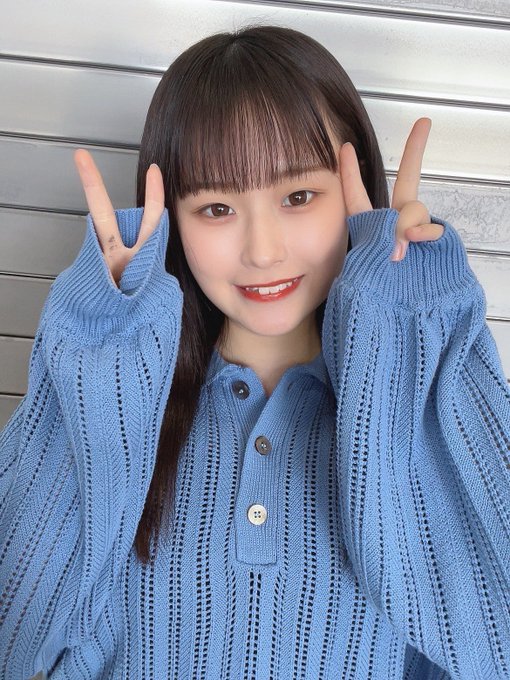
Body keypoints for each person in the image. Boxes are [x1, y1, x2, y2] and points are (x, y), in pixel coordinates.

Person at [0, 23, 509, 680]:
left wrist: (413, 332)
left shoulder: (397, 405)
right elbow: (17, 630)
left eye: (298, 197)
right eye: (216, 208)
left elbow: (492, 636)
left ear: (353, 194)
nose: (263, 251)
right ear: (173, 221)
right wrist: (101, 360)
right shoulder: (131, 405)